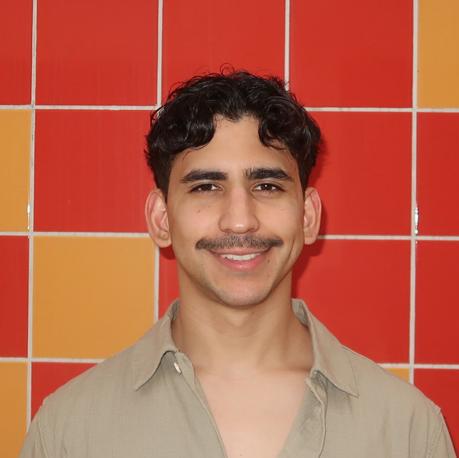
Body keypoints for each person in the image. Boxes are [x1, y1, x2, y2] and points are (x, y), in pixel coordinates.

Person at [20, 70, 456, 458]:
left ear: (307, 216)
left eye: (267, 185)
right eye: (206, 187)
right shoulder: (68, 432)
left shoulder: (408, 431)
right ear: (161, 219)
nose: (240, 219)